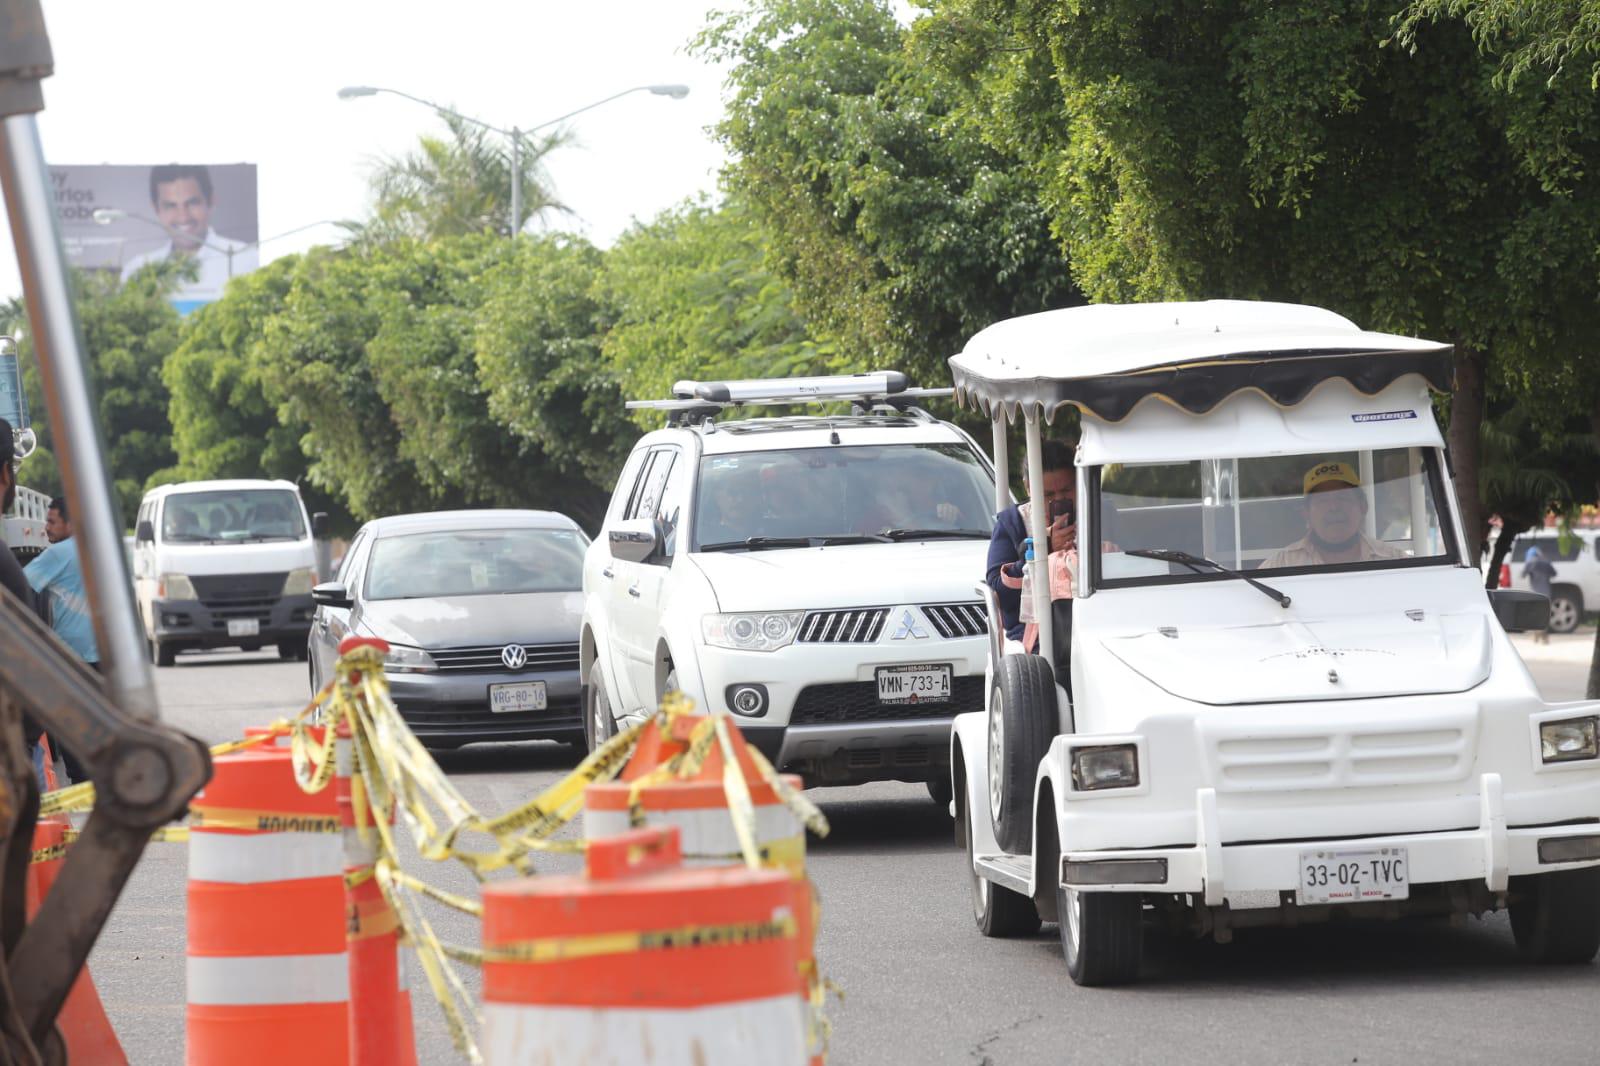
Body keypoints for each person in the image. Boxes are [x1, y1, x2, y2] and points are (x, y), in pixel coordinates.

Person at [118, 164, 258, 304]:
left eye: (192, 203)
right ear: (156, 209)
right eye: (170, 206)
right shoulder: (137, 270)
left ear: (211, 201)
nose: (183, 217)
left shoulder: (247, 259)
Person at [986, 438, 1076, 643]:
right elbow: (998, 590)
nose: (1059, 500)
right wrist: (1043, 549)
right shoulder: (1013, 522)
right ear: (1028, 488)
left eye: (1066, 490)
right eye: (1048, 494)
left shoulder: (1098, 513)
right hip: (1032, 631)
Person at [1260, 461, 1403, 569]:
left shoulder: (1397, 561)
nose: (1334, 507)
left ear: (1363, 507)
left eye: (1343, 498)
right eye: (1323, 500)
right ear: (1306, 512)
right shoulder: (1279, 565)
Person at [1523, 545, 1558, 645]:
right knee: (1545, 615)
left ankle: (1536, 636)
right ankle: (1543, 638)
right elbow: (1554, 574)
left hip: (1535, 593)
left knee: (1535, 615)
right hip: (1546, 593)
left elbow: (1523, 574)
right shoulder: (1546, 563)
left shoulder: (1529, 563)